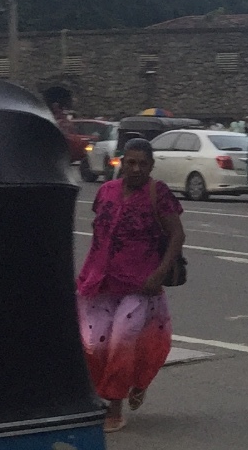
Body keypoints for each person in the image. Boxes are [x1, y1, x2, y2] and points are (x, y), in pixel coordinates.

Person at [77, 138, 185, 431]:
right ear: (121, 162)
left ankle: (114, 407)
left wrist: (159, 273)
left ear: (151, 166)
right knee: (92, 342)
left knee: (122, 339)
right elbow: (99, 228)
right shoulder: (106, 191)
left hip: (140, 283)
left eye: (143, 164)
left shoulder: (157, 193)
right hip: (99, 280)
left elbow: (177, 234)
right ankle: (118, 388)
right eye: (130, 162)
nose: (136, 169)